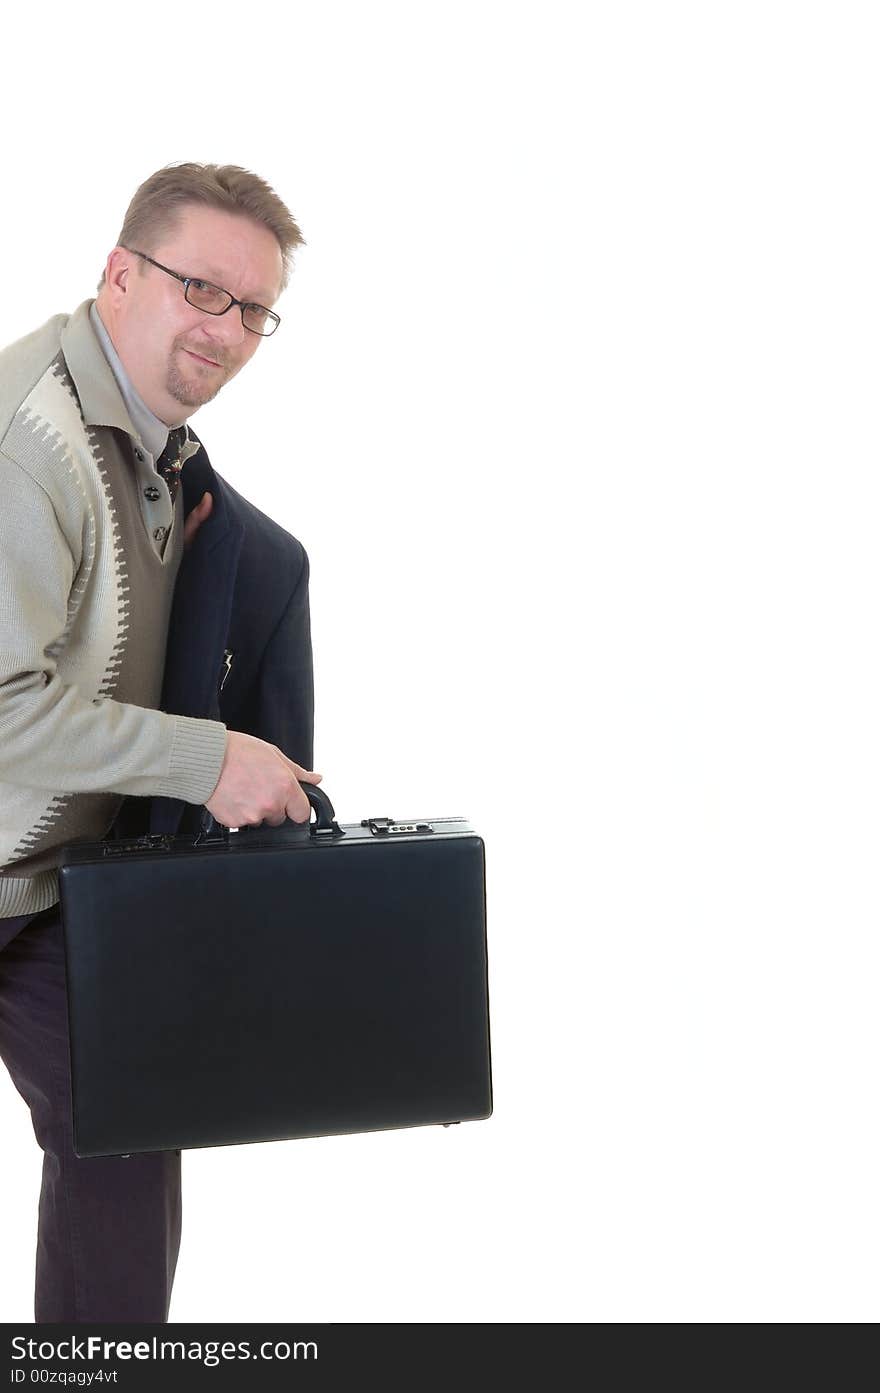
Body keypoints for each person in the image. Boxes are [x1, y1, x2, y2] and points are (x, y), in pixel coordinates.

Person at [0, 162, 322, 1322]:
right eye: (200, 288)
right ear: (119, 273)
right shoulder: (25, 442)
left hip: (44, 883)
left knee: (127, 1133)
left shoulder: (161, 447)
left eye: (252, 308)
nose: (224, 329)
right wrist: (209, 757)